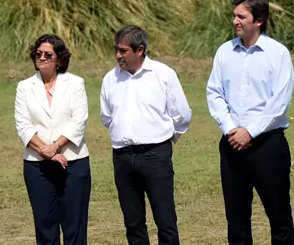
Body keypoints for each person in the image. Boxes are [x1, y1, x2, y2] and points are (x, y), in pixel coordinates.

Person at [206, 0, 294, 245]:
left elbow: (279, 103)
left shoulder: (278, 54)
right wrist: (231, 129)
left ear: (259, 20)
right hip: (232, 144)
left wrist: (251, 132)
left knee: (279, 217)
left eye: (241, 16)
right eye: (234, 15)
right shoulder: (224, 51)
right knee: (236, 221)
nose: (235, 21)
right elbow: (214, 92)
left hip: (268, 146)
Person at [99, 25, 192, 245]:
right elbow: (106, 117)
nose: (118, 56)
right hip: (122, 156)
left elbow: (182, 115)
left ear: (140, 50)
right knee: (133, 223)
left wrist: (166, 138)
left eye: (123, 51)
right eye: (116, 50)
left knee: (165, 219)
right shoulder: (110, 79)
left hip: (155, 155)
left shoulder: (163, 74)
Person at [14, 34, 91, 245]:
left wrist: (56, 146)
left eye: (48, 54)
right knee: (45, 228)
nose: (42, 58)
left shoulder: (75, 83)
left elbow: (79, 121)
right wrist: (45, 151)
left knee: (74, 228)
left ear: (59, 58)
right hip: (37, 166)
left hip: (73, 163)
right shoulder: (24, 86)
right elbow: (23, 125)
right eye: (38, 54)